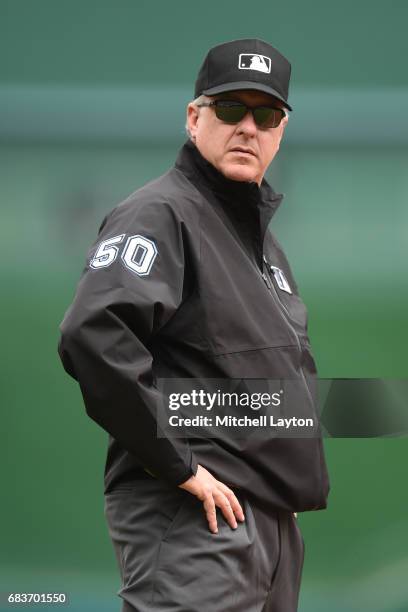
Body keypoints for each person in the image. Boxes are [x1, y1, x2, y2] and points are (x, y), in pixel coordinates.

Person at [58, 38, 330, 612]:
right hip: (196, 520)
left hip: (269, 527)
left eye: (267, 114)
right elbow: (94, 336)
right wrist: (180, 465)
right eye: (231, 109)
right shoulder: (160, 213)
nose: (248, 127)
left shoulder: (263, 246)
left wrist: (287, 476)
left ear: (282, 130)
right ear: (194, 117)